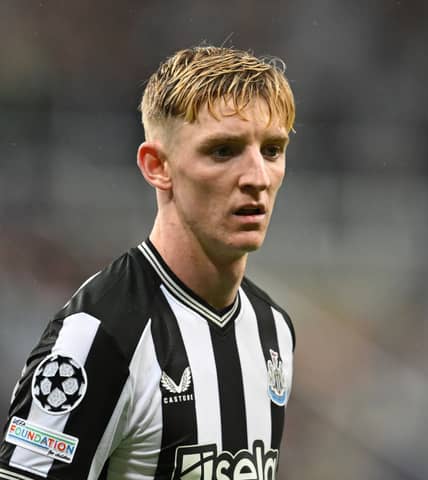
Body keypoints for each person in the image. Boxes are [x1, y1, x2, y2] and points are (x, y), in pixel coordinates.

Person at [0, 45, 296, 480]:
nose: (257, 177)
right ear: (157, 166)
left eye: (272, 150)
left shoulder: (273, 327)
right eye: (223, 151)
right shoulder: (100, 335)